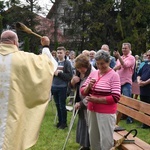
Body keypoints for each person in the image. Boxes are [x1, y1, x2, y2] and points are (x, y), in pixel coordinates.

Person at [0, 30, 57, 150]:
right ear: (15, 42)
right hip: (12, 111)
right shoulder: (23, 59)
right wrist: (45, 46)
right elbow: (48, 64)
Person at [80, 50, 121, 150]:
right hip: (92, 110)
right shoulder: (94, 73)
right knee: (94, 139)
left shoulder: (114, 75)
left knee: (106, 140)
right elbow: (83, 91)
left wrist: (97, 99)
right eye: (97, 63)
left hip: (106, 112)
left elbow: (115, 97)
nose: (100, 66)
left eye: (102, 63)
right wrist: (88, 86)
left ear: (108, 62)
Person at [70, 54, 95, 150]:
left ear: (86, 65)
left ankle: (88, 146)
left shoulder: (92, 73)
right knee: (82, 123)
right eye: (78, 68)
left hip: (88, 103)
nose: (80, 70)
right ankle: (84, 145)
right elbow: (72, 87)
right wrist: (72, 82)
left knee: (88, 124)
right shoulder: (78, 72)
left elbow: (92, 94)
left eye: (81, 68)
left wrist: (81, 103)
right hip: (79, 100)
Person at [51, 46, 73, 129]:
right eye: (58, 53)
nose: (59, 54)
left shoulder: (67, 63)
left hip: (63, 87)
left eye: (61, 53)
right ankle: (59, 121)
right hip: (54, 86)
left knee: (62, 105)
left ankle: (64, 123)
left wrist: (59, 73)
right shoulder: (54, 62)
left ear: (64, 53)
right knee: (57, 104)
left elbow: (69, 76)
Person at [113, 42, 135, 124]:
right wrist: (115, 68)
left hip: (126, 82)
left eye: (125, 48)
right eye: (122, 48)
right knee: (117, 99)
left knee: (128, 101)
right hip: (118, 82)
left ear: (129, 49)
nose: (124, 50)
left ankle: (130, 118)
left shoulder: (131, 58)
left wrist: (118, 57)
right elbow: (118, 66)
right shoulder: (120, 58)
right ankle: (118, 115)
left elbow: (125, 65)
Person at [137, 50, 150, 129]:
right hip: (143, 89)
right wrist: (139, 81)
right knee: (143, 106)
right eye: (147, 55)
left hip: (148, 89)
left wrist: (145, 82)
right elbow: (139, 74)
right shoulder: (145, 64)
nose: (148, 57)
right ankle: (144, 123)